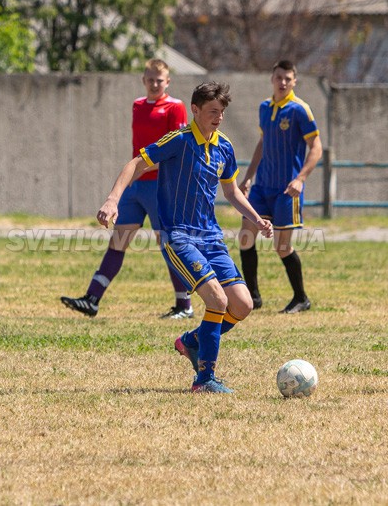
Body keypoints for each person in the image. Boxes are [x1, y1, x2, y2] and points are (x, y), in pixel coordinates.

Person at [96, 82, 273, 393]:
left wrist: (256, 218)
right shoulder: (179, 139)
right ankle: (204, 379)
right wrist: (113, 199)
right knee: (217, 300)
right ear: (195, 110)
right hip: (180, 237)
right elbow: (137, 163)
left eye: (222, 112)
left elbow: (230, 191)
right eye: (212, 112)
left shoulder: (225, 147)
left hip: (212, 238)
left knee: (243, 305)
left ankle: (192, 340)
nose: (218, 117)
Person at [61, 59, 193, 319]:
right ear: (143, 80)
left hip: (160, 185)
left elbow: (178, 149)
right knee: (118, 241)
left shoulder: (175, 107)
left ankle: (184, 305)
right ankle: (92, 299)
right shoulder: (137, 105)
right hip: (135, 186)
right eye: (150, 79)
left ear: (167, 82)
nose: (155, 84)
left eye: (160, 80)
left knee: (167, 244)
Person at [237, 60, 322, 313]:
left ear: (294, 81)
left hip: (287, 189)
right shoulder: (265, 107)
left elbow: (316, 147)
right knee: (245, 237)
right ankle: (253, 296)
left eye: (287, 78)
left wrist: (301, 179)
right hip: (262, 186)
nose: (282, 82)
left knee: (282, 247)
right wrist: (249, 176)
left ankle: (301, 298)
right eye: (278, 77)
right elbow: (263, 143)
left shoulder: (300, 109)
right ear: (272, 79)